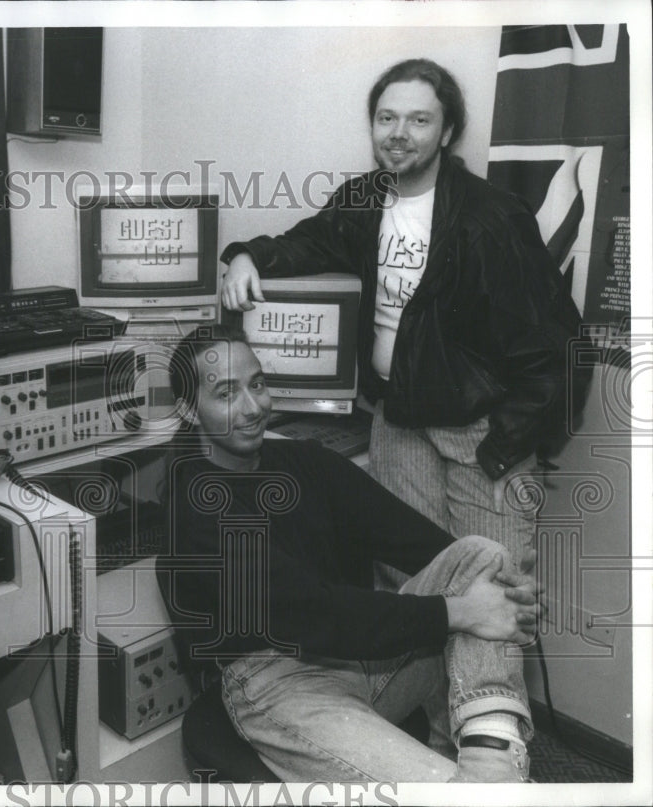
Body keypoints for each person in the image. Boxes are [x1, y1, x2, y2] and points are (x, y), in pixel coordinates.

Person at [219, 58, 584, 566]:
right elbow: (308, 243)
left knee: (492, 587)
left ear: (447, 131)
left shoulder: (493, 216)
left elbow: (560, 344)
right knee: (411, 585)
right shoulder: (364, 199)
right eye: (386, 118)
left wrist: (505, 447)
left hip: (476, 431)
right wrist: (246, 255)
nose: (399, 133)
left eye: (419, 119)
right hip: (395, 420)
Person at [162, 324, 541, 782]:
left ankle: (491, 758)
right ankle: (484, 783)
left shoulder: (304, 462)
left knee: (481, 554)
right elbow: (313, 613)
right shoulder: (196, 507)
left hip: (355, 661)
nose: (253, 407)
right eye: (226, 394)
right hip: (275, 687)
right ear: (189, 409)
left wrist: (503, 587)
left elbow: (416, 538)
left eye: (257, 384)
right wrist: (461, 612)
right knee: (442, 789)